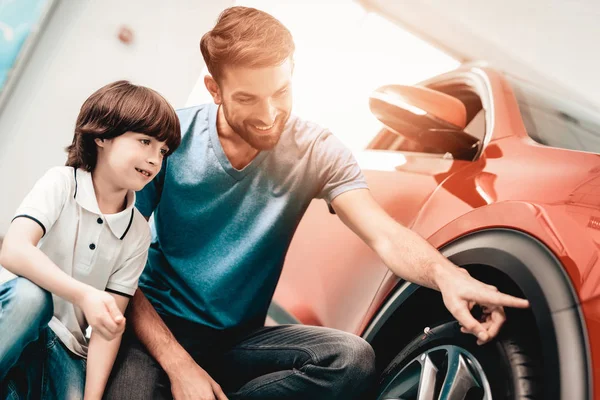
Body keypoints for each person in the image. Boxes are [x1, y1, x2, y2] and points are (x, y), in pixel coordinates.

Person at [105, 6, 530, 400]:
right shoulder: (167, 139)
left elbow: (383, 234)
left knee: (351, 359)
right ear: (215, 89)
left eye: (281, 92)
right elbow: (115, 258)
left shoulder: (316, 150)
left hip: (237, 341)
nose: (270, 114)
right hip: (155, 327)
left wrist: (448, 276)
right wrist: (180, 366)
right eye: (248, 99)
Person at [0, 80, 181, 399]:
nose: (155, 159)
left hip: (67, 349)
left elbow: (107, 331)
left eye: (163, 151)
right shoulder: (62, 183)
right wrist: (85, 295)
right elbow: (14, 250)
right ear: (101, 135)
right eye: (145, 141)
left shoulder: (138, 232)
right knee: (32, 298)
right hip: (19, 325)